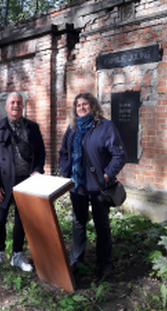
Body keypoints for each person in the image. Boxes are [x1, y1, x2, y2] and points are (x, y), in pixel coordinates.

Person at [59, 92, 126, 277]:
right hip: (77, 186)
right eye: (78, 105)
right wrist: (66, 173)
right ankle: (76, 261)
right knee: (78, 223)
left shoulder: (105, 127)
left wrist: (107, 175)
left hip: (98, 186)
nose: (81, 107)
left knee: (101, 224)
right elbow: (64, 153)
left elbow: (119, 155)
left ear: (93, 106)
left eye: (85, 104)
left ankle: (104, 264)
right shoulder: (72, 128)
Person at [0, 91, 46, 273]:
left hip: (26, 181)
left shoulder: (33, 128)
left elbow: (41, 153)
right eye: (12, 102)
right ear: (6, 106)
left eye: (19, 102)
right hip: (4, 182)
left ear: (23, 105)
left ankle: (17, 256)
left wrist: (37, 170)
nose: (15, 105)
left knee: (22, 221)